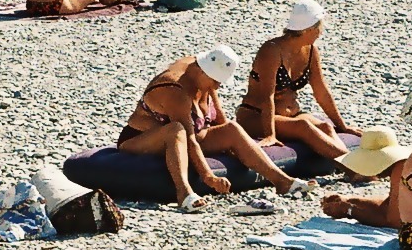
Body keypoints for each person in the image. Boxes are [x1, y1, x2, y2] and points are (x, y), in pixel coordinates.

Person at [117, 45, 318, 212]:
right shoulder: (174, 90)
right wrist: (208, 176)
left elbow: (220, 120)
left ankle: (283, 181)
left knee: (231, 128)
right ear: (203, 71)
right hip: (141, 138)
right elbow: (189, 139)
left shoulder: (203, 77)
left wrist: (234, 146)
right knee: (175, 129)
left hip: (188, 136)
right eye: (215, 81)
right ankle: (184, 193)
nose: (217, 86)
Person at [236, 0, 361, 160]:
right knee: (303, 126)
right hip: (256, 117)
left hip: (292, 116)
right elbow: (267, 95)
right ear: (309, 29)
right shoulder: (272, 50)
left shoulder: (311, 51)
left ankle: (350, 164)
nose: (321, 32)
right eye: (319, 27)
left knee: (326, 127)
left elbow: (321, 92)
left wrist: (342, 126)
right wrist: (270, 134)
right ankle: (355, 166)